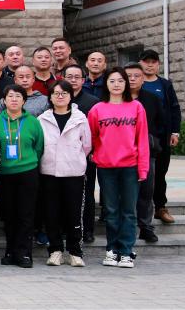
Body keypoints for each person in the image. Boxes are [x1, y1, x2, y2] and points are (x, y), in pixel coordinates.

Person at [88, 67, 149, 268]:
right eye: (112, 81)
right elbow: (92, 136)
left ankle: (126, 251)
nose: (116, 84)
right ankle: (112, 250)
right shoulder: (97, 109)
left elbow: (142, 139)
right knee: (111, 210)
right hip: (106, 167)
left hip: (130, 166)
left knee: (129, 211)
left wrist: (143, 168)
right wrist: (97, 154)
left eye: (120, 81)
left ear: (126, 84)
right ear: (106, 84)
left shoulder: (136, 107)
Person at [38, 81, 91, 267]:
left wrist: (73, 158)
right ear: (50, 97)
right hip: (49, 172)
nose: (60, 96)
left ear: (70, 96)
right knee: (51, 213)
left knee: (74, 213)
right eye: (56, 93)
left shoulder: (80, 119)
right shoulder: (42, 119)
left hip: (73, 172)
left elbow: (87, 145)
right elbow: (39, 145)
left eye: (64, 93)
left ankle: (75, 251)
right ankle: (55, 250)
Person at [0, 85, 44, 268]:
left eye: (18, 96)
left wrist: (28, 161)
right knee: (9, 215)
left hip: (27, 172)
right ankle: (10, 251)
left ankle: (24, 253)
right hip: (4, 173)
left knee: (26, 214)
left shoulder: (33, 122)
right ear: (4, 100)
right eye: (10, 96)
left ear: (24, 100)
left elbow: (39, 147)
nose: (14, 99)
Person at [138, 50, 181, 226]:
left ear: (158, 64)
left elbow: (174, 108)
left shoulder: (165, 84)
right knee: (139, 174)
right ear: (140, 63)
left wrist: (175, 132)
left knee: (160, 173)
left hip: (161, 137)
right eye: (146, 61)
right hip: (138, 136)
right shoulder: (134, 83)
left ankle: (160, 207)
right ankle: (138, 209)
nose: (149, 65)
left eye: (153, 62)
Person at [125, 64, 165, 243]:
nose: (132, 79)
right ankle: (127, 227)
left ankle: (146, 227)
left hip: (146, 151)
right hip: (122, 152)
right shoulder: (117, 99)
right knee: (125, 191)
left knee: (146, 190)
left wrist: (152, 140)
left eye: (136, 76)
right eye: (129, 76)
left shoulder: (152, 99)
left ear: (143, 79)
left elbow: (161, 123)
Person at [63, 64, 101, 244]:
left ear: (83, 80)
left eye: (76, 77)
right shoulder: (58, 98)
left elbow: (97, 131)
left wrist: (92, 151)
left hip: (86, 155)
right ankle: (66, 228)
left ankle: (87, 230)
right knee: (65, 194)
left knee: (87, 193)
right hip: (63, 156)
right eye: (69, 76)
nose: (73, 80)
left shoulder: (92, 102)